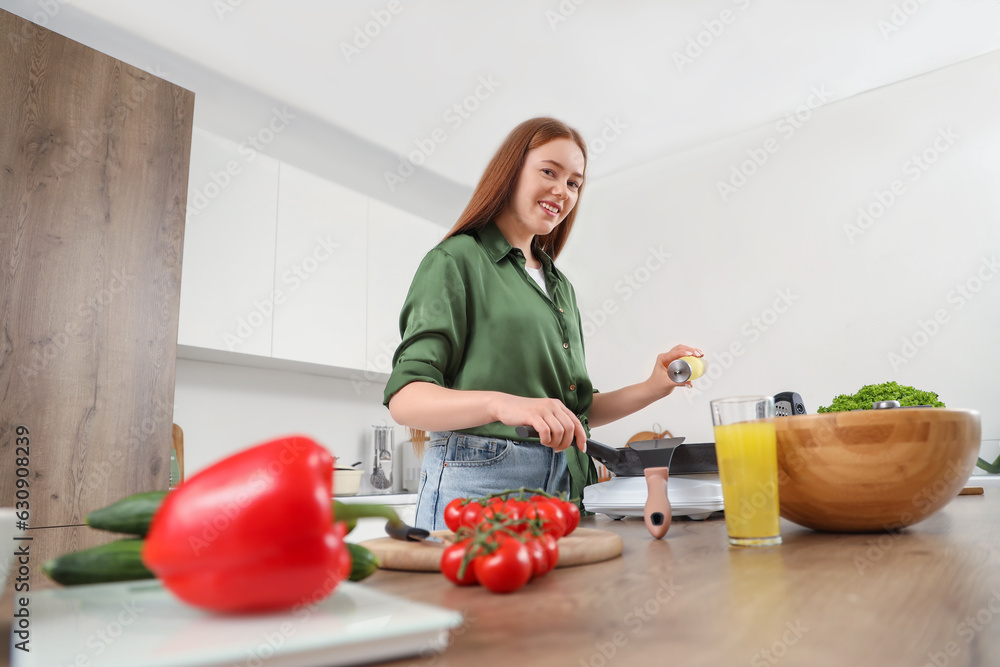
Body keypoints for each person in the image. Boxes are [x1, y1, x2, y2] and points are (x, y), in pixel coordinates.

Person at [383, 117, 702, 530]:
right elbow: (405, 399)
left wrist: (653, 386)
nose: (562, 191)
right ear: (511, 171)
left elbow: (572, 413)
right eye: (549, 172)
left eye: (574, 183)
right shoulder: (456, 261)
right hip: (481, 486)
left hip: (565, 487)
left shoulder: (559, 286)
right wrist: (504, 404)